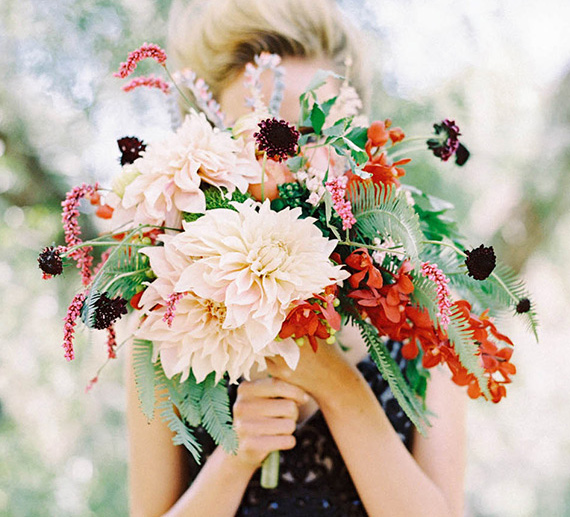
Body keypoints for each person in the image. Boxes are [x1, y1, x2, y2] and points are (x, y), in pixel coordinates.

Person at [126, 0, 467, 515]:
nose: (282, 163)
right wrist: (236, 457)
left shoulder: (428, 318)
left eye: (310, 135)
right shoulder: (164, 323)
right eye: (255, 137)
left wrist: (337, 385)